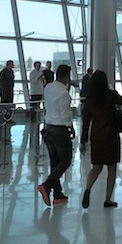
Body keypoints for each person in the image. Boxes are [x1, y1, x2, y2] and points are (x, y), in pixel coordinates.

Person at [79, 70, 122, 209]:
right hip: (111, 134)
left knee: (96, 167)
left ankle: (87, 189)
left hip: (96, 135)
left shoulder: (89, 100)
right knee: (112, 168)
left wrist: (83, 141)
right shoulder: (110, 95)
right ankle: (107, 199)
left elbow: (86, 122)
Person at [37, 64, 75, 206]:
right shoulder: (63, 93)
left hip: (48, 128)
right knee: (65, 160)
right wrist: (71, 127)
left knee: (55, 162)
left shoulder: (48, 87)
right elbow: (65, 114)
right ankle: (47, 185)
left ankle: (57, 193)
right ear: (66, 76)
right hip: (60, 130)